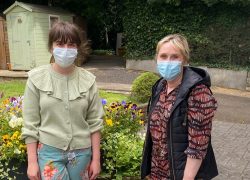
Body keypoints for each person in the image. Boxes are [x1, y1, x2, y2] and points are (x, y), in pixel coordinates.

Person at [21, 21, 104, 180]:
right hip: (49, 153)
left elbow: (95, 122)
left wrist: (96, 159)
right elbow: (30, 124)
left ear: (77, 48)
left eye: (71, 45)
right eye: (60, 44)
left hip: (82, 153)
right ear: (51, 47)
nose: (65, 50)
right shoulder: (36, 79)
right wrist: (32, 162)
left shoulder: (88, 80)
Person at [141, 34, 218, 180]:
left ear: (184, 59)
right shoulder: (160, 86)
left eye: (174, 56)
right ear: (157, 58)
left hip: (182, 174)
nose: (168, 62)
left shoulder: (198, 92)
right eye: (163, 56)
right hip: (157, 171)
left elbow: (197, 147)